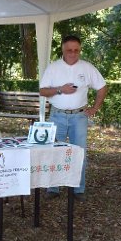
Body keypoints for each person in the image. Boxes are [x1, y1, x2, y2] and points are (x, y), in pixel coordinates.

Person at [39, 34, 108, 200]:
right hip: (57, 115)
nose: (73, 53)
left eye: (76, 50)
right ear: (63, 50)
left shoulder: (87, 68)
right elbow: (42, 91)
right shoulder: (53, 68)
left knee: (79, 153)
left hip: (79, 116)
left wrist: (95, 108)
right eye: (69, 50)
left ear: (80, 50)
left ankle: (78, 189)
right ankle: (53, 187)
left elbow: (102, 87)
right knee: (54, 151)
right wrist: (60, 89)